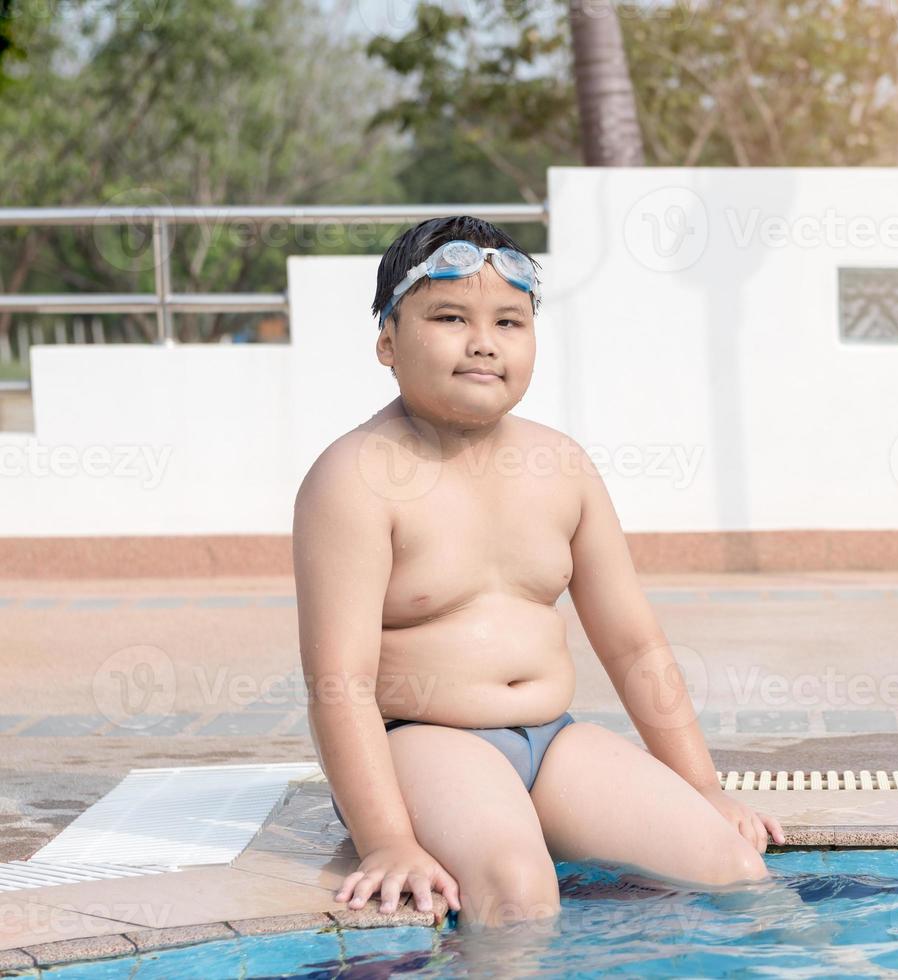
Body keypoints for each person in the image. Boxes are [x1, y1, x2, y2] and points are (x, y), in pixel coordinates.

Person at [293, 215, 783, 928]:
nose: (483, 341)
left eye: (510, 322)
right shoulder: (356, 478)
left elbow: (632, 643)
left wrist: (702, 786)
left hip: (555, 742)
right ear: (388, 342)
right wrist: (388, 839)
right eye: (450, 316)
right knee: (519, 893)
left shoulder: (561, 467)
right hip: (426, 743)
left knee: (732, 869)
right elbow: (338, 682)